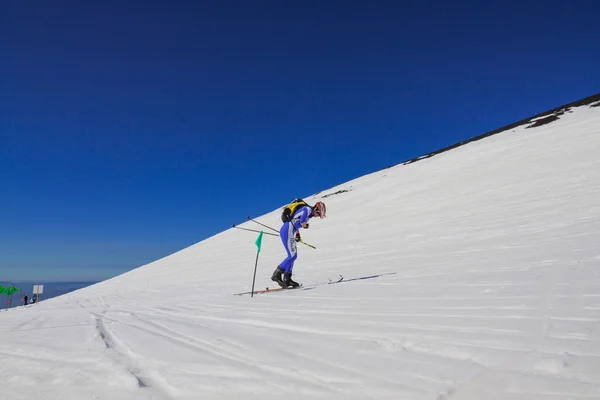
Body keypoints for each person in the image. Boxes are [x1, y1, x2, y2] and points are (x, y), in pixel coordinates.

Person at [271, 201, 327, 288]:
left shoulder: (307, 211)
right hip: (287, 230)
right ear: (316, 210)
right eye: (318, 214)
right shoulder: (308, 210)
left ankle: (287, 278)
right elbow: (302, 222)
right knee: (293, 256)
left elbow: (295, 220)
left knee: (292, 255)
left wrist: (297, 234)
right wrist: (306, 226)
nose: (317, 216)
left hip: (289, 231)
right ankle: (276, 274)